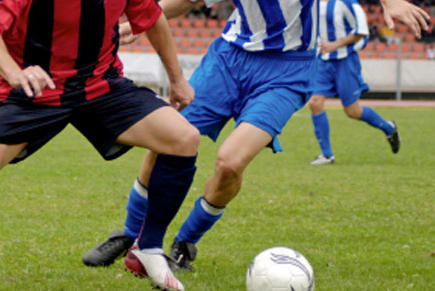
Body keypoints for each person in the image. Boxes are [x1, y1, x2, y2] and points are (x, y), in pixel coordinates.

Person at [83, 0, 429, 272]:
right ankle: (130, 234)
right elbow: (189, 1)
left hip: (287, 71)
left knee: (230, 163)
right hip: (228, 61)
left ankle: (184, 244)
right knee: (168, 138)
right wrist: (134, 24)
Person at [0, 0, 201, 290]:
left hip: (100, 87)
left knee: (183, 138)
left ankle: (148, 248)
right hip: (33, 93)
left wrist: (177, 78)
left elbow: (152, 17)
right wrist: (13, 72)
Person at [307, 0, 400, 166]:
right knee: (314, 102)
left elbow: (362, 31)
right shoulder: (313, 3)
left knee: (352, 111)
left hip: (345, 61)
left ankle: (389, 128)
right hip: (323, 61)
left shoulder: (347, 3)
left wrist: (335, 44)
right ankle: (327, 155)